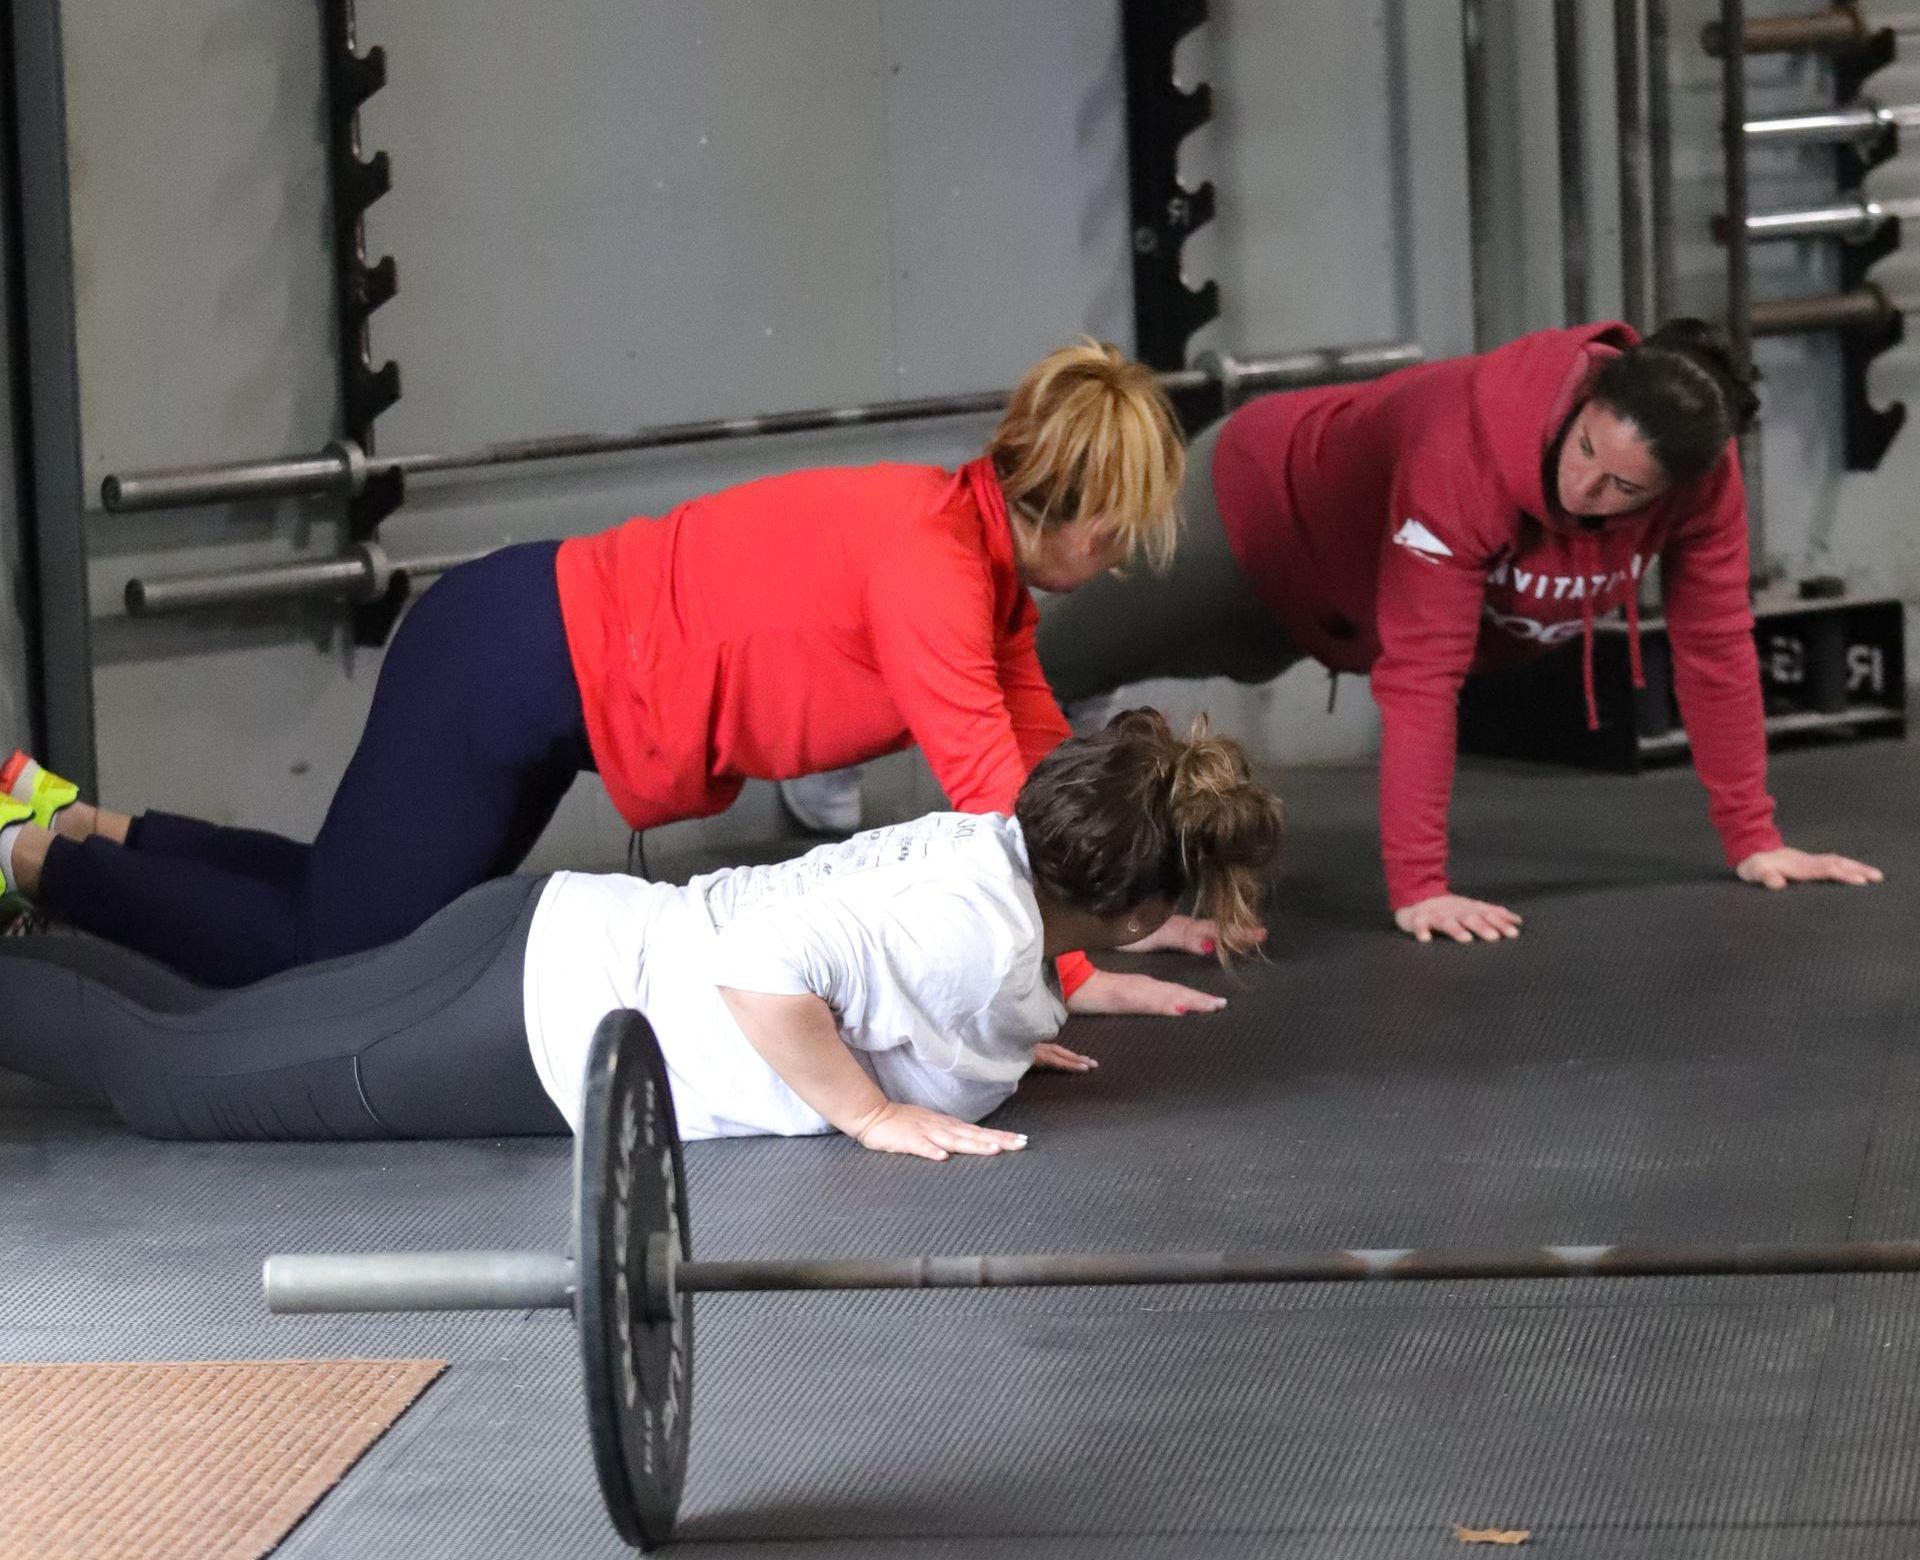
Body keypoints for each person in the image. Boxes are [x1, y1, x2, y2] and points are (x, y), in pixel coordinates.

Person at [0, 340, 1226, 1007]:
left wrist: (1138, 896)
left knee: (350, 909)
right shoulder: (932, 569)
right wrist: (1069, 971)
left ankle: (71, 821)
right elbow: (985, 808)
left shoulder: (975, 559)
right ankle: (22, 856)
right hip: (511, 662)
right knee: (325, 961)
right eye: (1117, 533)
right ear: (1062, 504)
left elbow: (1036, 764)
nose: (1119, 562)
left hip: (528, 665)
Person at [0, 712, 1283, 1161]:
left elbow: (882, 962)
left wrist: (1003, 1038)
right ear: (1128, 910)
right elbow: (763, 973)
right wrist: (871, 1114)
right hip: (523, 1025)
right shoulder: (981, 947)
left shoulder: (981, 849)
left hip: (543, 937)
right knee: (167, 1080)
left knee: (208, 1033)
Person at [1029, 319, 1882, 943]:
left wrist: (1755, 837)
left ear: (1676, 487)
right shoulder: (1465, 444)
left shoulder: (1704, 485)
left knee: (1230, 662)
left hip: (1331, 615)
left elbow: (1717, 647)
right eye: (1586, 449)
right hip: (1250, 517)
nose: (1587, 491)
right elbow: (1425, 674)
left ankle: (1083, 709)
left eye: (1625, 488)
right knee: (1039, 656)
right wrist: (1421, 887)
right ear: (1584, 401)